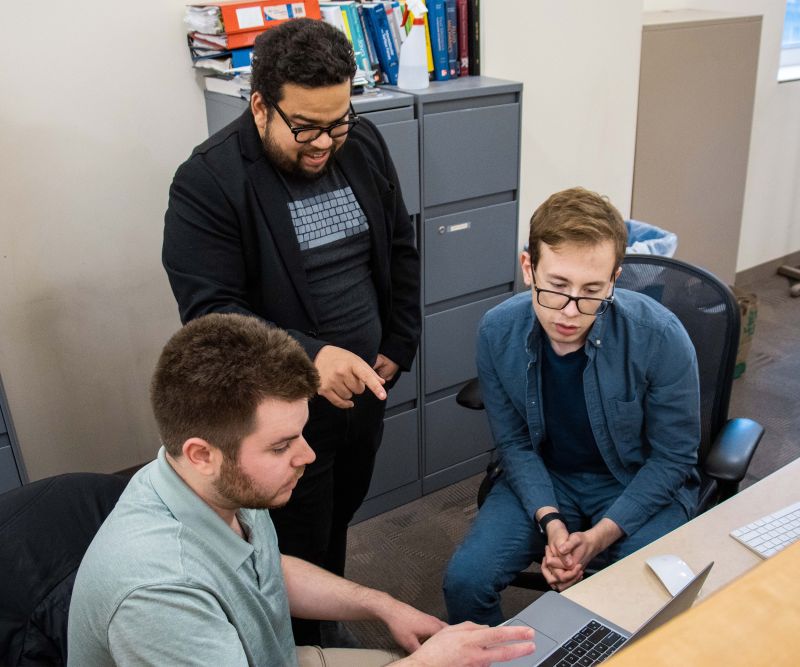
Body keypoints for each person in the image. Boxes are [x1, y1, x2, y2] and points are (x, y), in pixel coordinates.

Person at [67, 314, 534, 667]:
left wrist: (383, 606)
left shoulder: (213, 484)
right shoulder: (159, 597)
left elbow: (266, 569)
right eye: (281, 446)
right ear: (202, 454)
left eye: (300, 434)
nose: (306, 456)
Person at [162, 18, 420, 643]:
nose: (324, 143)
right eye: (305, 127)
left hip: (362, 395)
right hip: (281, 418)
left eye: (338, 121)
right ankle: (299, 644)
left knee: (337, 521)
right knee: (289, 542)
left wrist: (397, 340)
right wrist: (311, 357)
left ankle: (322, 624)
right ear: (260, 105)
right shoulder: (208, 182)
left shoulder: (363, 142)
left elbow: (398, 243)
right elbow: (211, 314)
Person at [443, 187, 701, 625]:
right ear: (528, 267)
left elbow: (673, 457)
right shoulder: (497, 331)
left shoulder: (660, 336)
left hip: (635, 479)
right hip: (549, 475)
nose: (569, 312)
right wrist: (552, 521)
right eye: (557, 287)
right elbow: (514, 444)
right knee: (465, 581)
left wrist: (599, 537)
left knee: (646, 598)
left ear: (615, 279)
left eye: (591, 291)